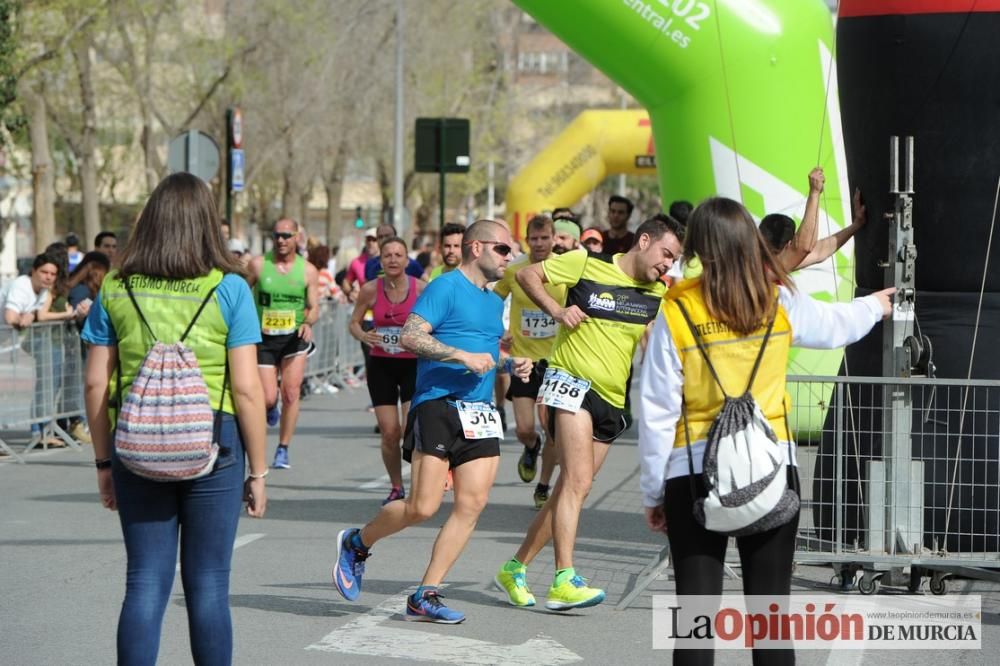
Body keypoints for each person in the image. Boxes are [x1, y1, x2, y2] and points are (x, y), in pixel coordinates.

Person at [638, 197, 892, 666]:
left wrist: (654, 493)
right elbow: (838, 325)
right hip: (772, 467)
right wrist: (876, 305)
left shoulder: (677, 310)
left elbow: (656, 411)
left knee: (695, 621)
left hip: (691, 471)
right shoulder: (777, 298)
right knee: (771, 616)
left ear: (696, 246)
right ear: (747, 240)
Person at [81, 172, 268, 666]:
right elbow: (248, 389)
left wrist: (104, 462)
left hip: (136, 440)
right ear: (207, 223)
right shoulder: (229, 288)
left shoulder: (117, 287)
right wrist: (259, 472)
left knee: (144, 580)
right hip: (215, 439)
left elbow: (96, 384)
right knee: (208, 585)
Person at [333, 219, 532, 624]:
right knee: (422, 507)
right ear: (477, 248)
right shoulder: (445, 286)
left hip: (479, 414)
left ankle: (426, 593)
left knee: (472, 504)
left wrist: (513, 362)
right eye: (503, 249)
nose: (509, 257)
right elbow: (411, 335)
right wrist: (459, 356)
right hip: (438, 404)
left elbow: (486, 351)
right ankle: (357, 542)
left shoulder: (494, 301)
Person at [494, 214, 683, 611]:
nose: (667, 263)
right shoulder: (586, 263)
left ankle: (515, 567)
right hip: (570, 384)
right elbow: (528, 276)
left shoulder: (659, 294)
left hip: (613, 401)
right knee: (576, 481)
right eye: (665, 253)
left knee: (569, 491)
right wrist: (556, 311)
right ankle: (564, 578)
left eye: (674, 259)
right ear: (644, 240)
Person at [493, 215, 566, 509]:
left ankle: (544, 485)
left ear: (553, 238)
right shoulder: (514, 270)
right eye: (533, 239)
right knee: (524, 428)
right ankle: (531, 446)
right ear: (526, 240)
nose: (538, 244)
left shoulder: (564, 267)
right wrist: (500, 332)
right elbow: (491, 302)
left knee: (550, 426)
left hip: (556, 360)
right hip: (523, 359)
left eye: (544, 238)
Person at [349, 237, 427, 504]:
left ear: (407, 260)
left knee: (410, 429)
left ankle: (419, 485)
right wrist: (364, 335)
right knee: (389, 432)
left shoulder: (421, 289)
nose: (393, 260)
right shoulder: (370, 289)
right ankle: (396, 486)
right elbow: (354, 323)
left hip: (412, 365)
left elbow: (436, 323)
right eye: (388, 255)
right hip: (381, 364)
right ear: (380, 260)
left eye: (398, 255)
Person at [247, 218, 320, 470]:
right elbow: (241, 295)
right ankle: (270, 407)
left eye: (286, 236)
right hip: (263, 337)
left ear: (297, 237)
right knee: (267, 398)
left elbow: (314, 307)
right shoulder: (258, 265)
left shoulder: (308, 270)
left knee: (291, 392)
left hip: (293, 338)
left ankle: (283, 448)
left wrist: (308, 322)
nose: (281, 240)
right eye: (277, 235)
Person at [758, 167, 867, 272]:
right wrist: (814, 193)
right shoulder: (763, 270)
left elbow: (820, 251)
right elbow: (803, 247)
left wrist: (856, 224)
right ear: (788, 245)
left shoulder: (762, 259)